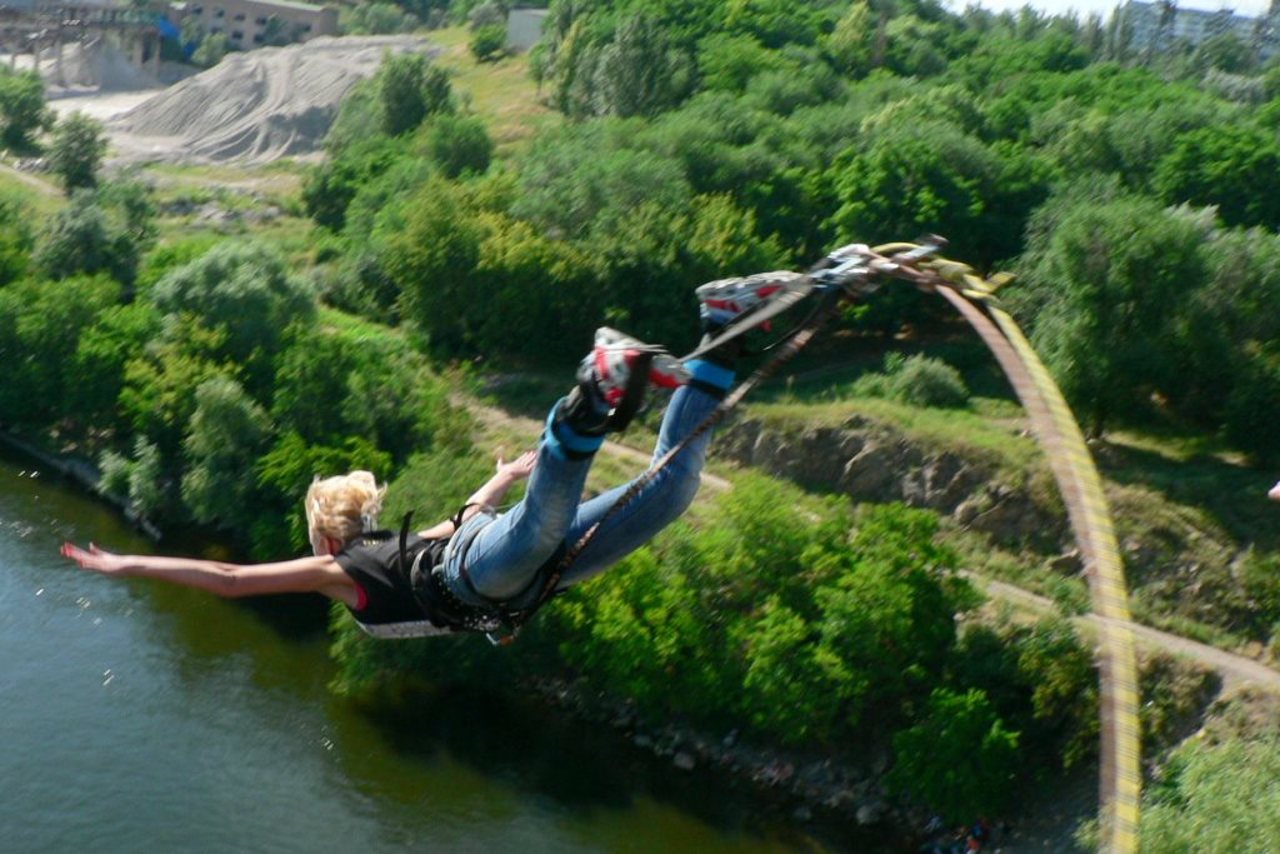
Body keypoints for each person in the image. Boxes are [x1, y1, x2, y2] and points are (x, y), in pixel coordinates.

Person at [61, 273, 800, 639]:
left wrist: (131, 564)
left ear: (323, 537)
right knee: (670, 493)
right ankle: (722, 328)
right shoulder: (391, 546)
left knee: (540, 527)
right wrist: (502, 476)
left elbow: (226, 579)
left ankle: (588, 397)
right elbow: (464, 517)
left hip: (483, 573)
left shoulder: (340, 571)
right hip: (512, 572)